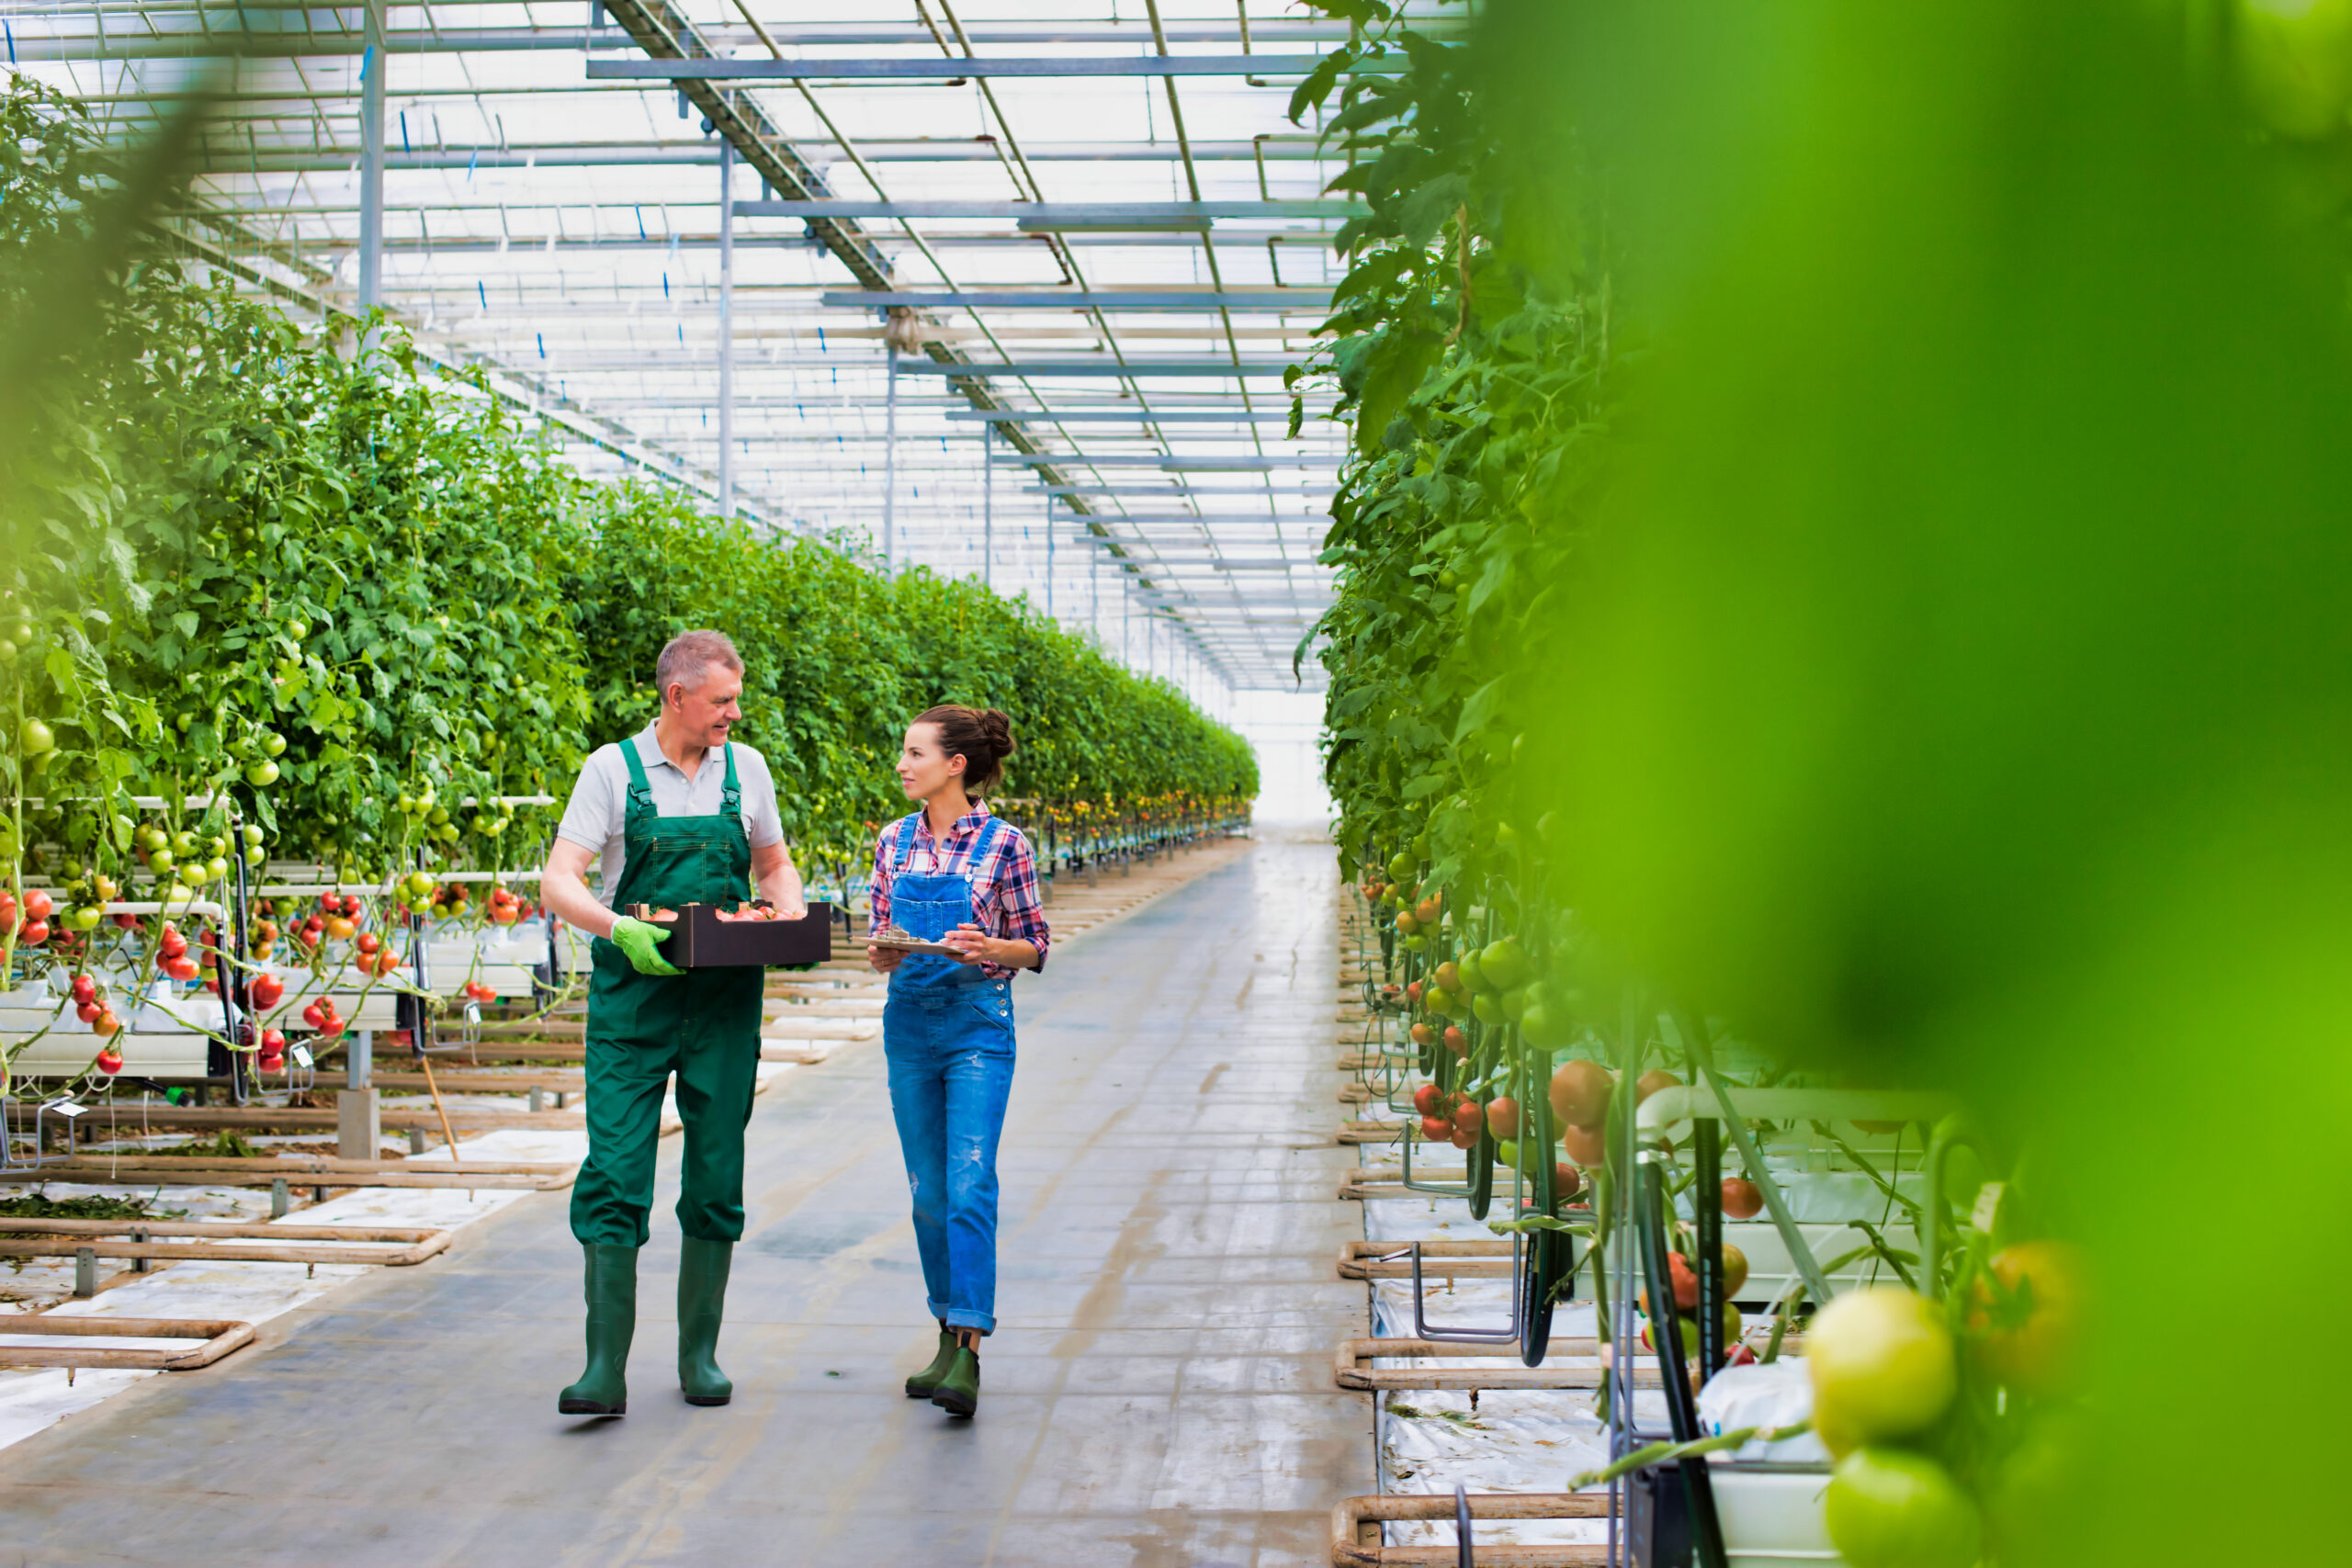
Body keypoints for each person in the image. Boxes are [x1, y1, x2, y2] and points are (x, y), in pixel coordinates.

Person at [539, 630, 805, 1416]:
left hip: (724, 1002)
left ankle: (700, 1355)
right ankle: (602, 1369)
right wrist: (615, 927)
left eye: (736, 698)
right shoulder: (610, 769)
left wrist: (785, 906)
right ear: (676, 695)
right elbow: (560, 878)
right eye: (721, 700)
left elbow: (772, 860)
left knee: (717, 1169)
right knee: (617, 1169)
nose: (733, 713)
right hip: (633, 1001)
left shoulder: (746, 768)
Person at [865, 705, 1049, 1418]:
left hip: (977, 1025)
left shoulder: (1007, 845)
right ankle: (945, 1328)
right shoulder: (893, 840)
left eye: (915, 752)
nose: (903, 764)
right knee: (927, 1192)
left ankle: (969, 1347)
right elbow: (884, 934)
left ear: (956, 765)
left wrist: (988, 948)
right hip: (910, 1024)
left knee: (969, 1182)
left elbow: (1034, 944)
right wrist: (884, 950)